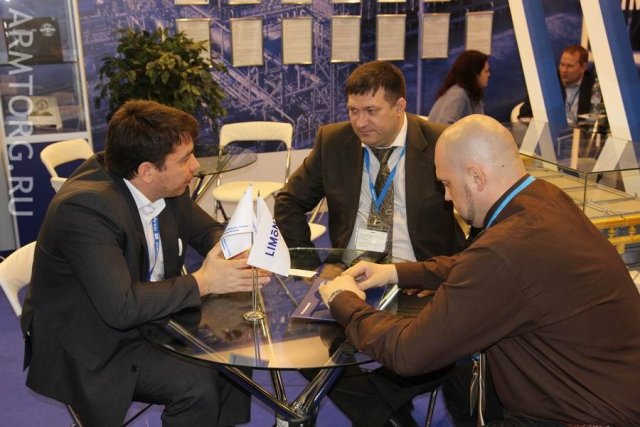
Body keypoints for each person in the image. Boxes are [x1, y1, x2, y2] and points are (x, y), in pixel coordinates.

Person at [319, 114, 640, 426]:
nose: (447, 197)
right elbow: (482, 266)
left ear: (476, 176)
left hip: (580, 417)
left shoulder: (506, 248)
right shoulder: (544, 199)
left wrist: (343, 299)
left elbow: (407, 352)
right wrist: (396, 272)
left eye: (447, 184)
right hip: (606, 396)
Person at [21, 100, 271, 426]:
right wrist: (205, 281)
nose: (195, 165)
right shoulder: (85, 209)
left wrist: (235, 250)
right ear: (147, 171)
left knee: (235, 346)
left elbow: (207, 231)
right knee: (196, 384)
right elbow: (122, 307)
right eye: (185, 159)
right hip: (92, 341)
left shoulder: (163, 184)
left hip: (150, 313)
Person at [275, 60, 466, 263]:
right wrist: (307, 265)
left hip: (416, 270)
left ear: (399, 107)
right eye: (353, 111)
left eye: (371, 111)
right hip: (351, 269)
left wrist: (451, 268)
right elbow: (288, 201)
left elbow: (478, 207)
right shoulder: (333, 142)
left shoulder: (441, 142)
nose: (360, 123)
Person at [518, 45, 596, 126]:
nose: (564, 70)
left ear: (583, 67)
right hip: (550, 131)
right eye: (562, 64)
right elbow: (524, 115)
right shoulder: (547, 82)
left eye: (570, 66)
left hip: (581, 132)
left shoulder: (593, 86)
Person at [428, 50, 490, 125]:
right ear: (475, 74)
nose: (489, 75)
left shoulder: (471, 96)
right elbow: (445, 126)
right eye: (486, 71)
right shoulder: (458, 94)